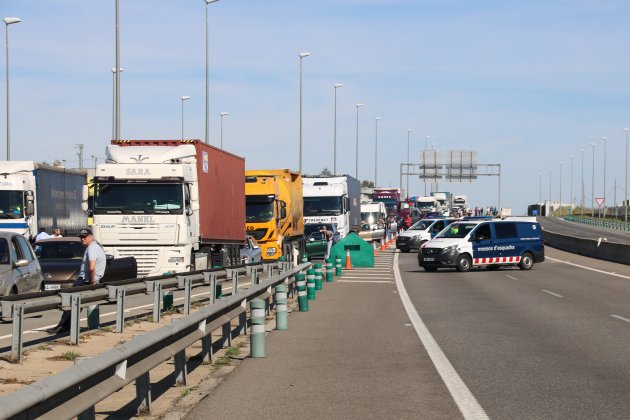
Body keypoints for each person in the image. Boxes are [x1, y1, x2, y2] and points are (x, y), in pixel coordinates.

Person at [47, 229, 106, 334]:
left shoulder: (92, 249)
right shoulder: (98, 247)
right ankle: (67, 326)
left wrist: (92, 281)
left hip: (84, 280)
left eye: (85, 237)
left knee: (70, 303)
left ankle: (62, 327)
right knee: (76, 305)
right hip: (90, 280)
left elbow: (92, 267)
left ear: (91, 236)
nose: (82, 239)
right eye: (81, 237)